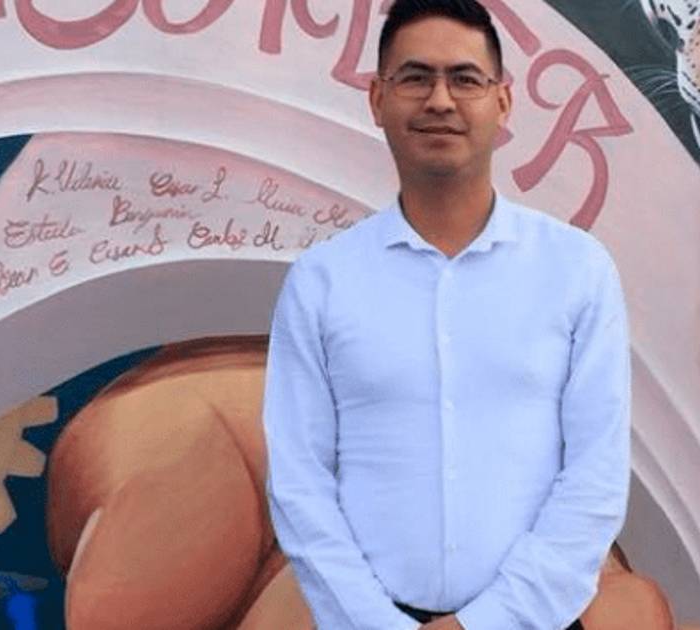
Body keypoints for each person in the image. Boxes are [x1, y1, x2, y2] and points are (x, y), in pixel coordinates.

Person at [262, 0, 632, 628]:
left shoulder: (577, 270)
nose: (440, 100)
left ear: (503, 102)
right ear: (377, 98)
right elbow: (300, 485)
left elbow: (594, 481)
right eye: (415, 78)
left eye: (465, 79)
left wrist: (483, 623)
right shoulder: (322, 282)